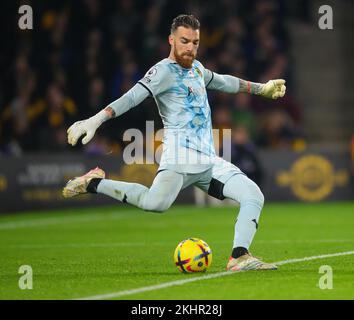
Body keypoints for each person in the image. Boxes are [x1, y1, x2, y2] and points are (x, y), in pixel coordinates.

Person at [63, 15, 286, 271]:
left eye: (195, 42)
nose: (190, 47)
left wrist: (262, 89)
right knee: (155, 204)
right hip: (179, 159)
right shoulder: (162, 72)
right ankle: (94, 183)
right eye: (184, 41)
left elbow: (224, 81)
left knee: (253, 194)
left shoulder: (198, 69)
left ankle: (239, 256)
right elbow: (131, 98)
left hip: (208, 161)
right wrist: (95, 120)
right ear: (171, 40)